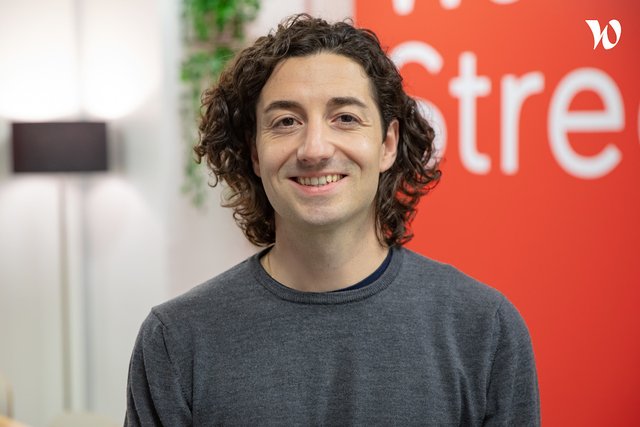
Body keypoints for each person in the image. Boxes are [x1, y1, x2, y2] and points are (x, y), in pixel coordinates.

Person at [125, 14, 540, 426]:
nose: (315, 149)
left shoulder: (484, 330)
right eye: (286, 122)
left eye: (345, 118)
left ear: (388, 144)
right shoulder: (176, 341)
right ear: (255, 154)